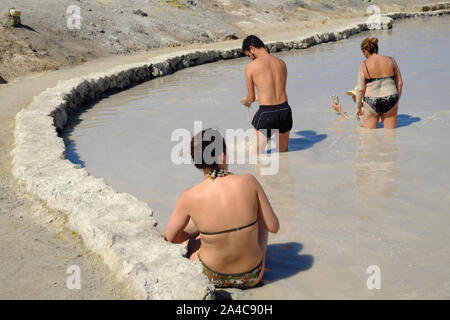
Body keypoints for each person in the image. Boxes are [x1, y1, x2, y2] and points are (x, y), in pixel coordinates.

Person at [165, 129, 280, 289]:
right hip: (252, 276)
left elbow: (170, 238)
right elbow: (273, 226)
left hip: (212, 276)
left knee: (192, 232)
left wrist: (194, 231)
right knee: (260, 216)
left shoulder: (189, 196)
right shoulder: (249, 181)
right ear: (222, 156)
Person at [240, 35, 293, 153]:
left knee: (257, 155)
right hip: (285, 110)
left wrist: (246, 101)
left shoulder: (251, 67)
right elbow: (275, 91)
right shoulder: (281, 63)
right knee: (283, 154)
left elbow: (251, 97)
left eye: (249, 55)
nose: (251, 59)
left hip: (267, 113)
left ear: (252, 49)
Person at [355, 37, 403, 129]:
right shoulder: (391, 60)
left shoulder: (364, 64)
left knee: (369, 137)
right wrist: (396, 100)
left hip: (372, 101)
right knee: (390, 137)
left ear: (365, 51)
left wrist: (357, 107)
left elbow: (361, 89)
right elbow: (400, 83)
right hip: (391, 98)